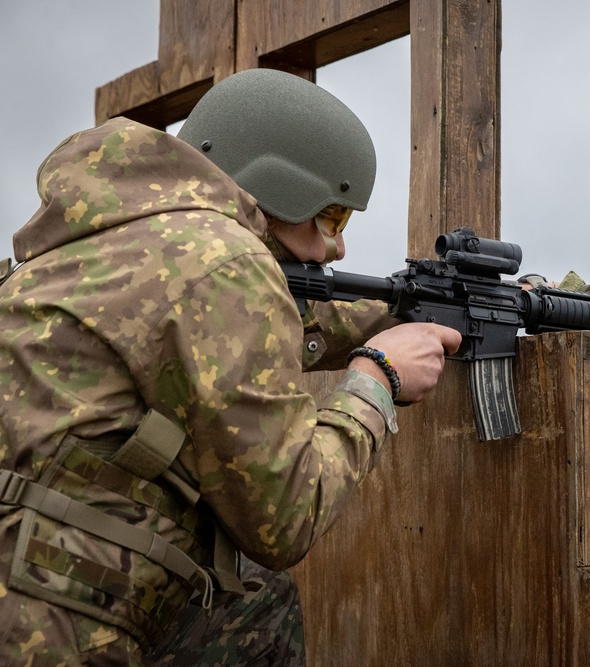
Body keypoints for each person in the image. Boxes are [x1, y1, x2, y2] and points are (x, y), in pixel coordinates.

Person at [0, 68, 460, 665]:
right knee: (260, 603)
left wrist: (399, 315)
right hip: (55, 617)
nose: (337, 248)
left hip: (28, 571)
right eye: (332, 218)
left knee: (256, 607)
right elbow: (286, 519)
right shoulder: (229, 261)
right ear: (278, 186)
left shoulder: (108, 237)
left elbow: (229, 337)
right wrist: (376, 379)